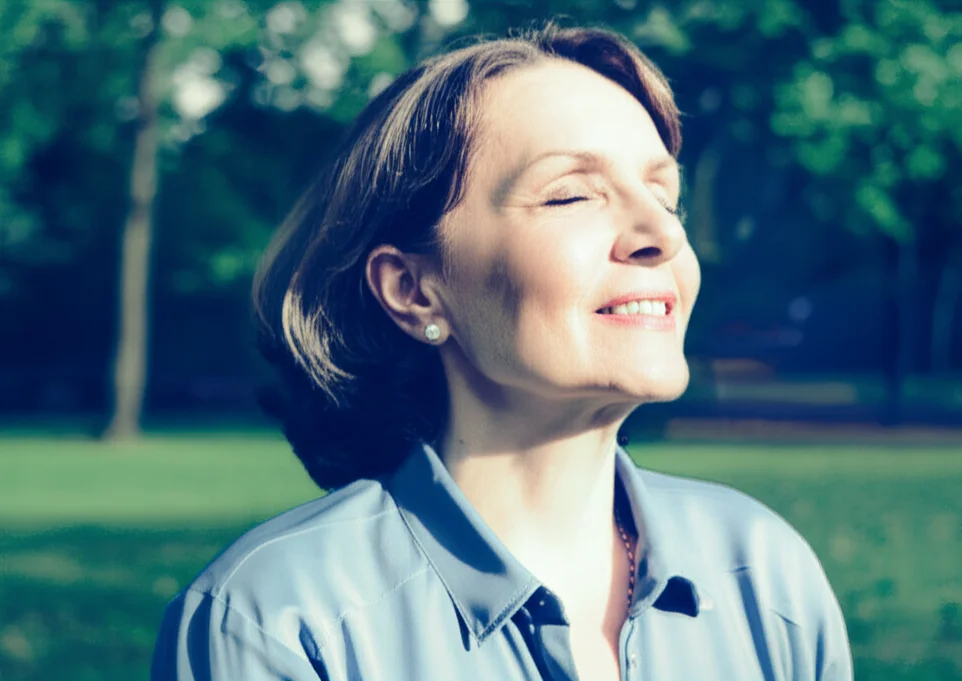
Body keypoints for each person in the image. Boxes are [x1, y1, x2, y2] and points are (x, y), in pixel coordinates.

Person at [151, 23, 853, 681]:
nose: (659, 236)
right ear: (414, 290)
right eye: (572, 195)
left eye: (665, 197)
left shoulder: (765, 571)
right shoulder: (276, 620)